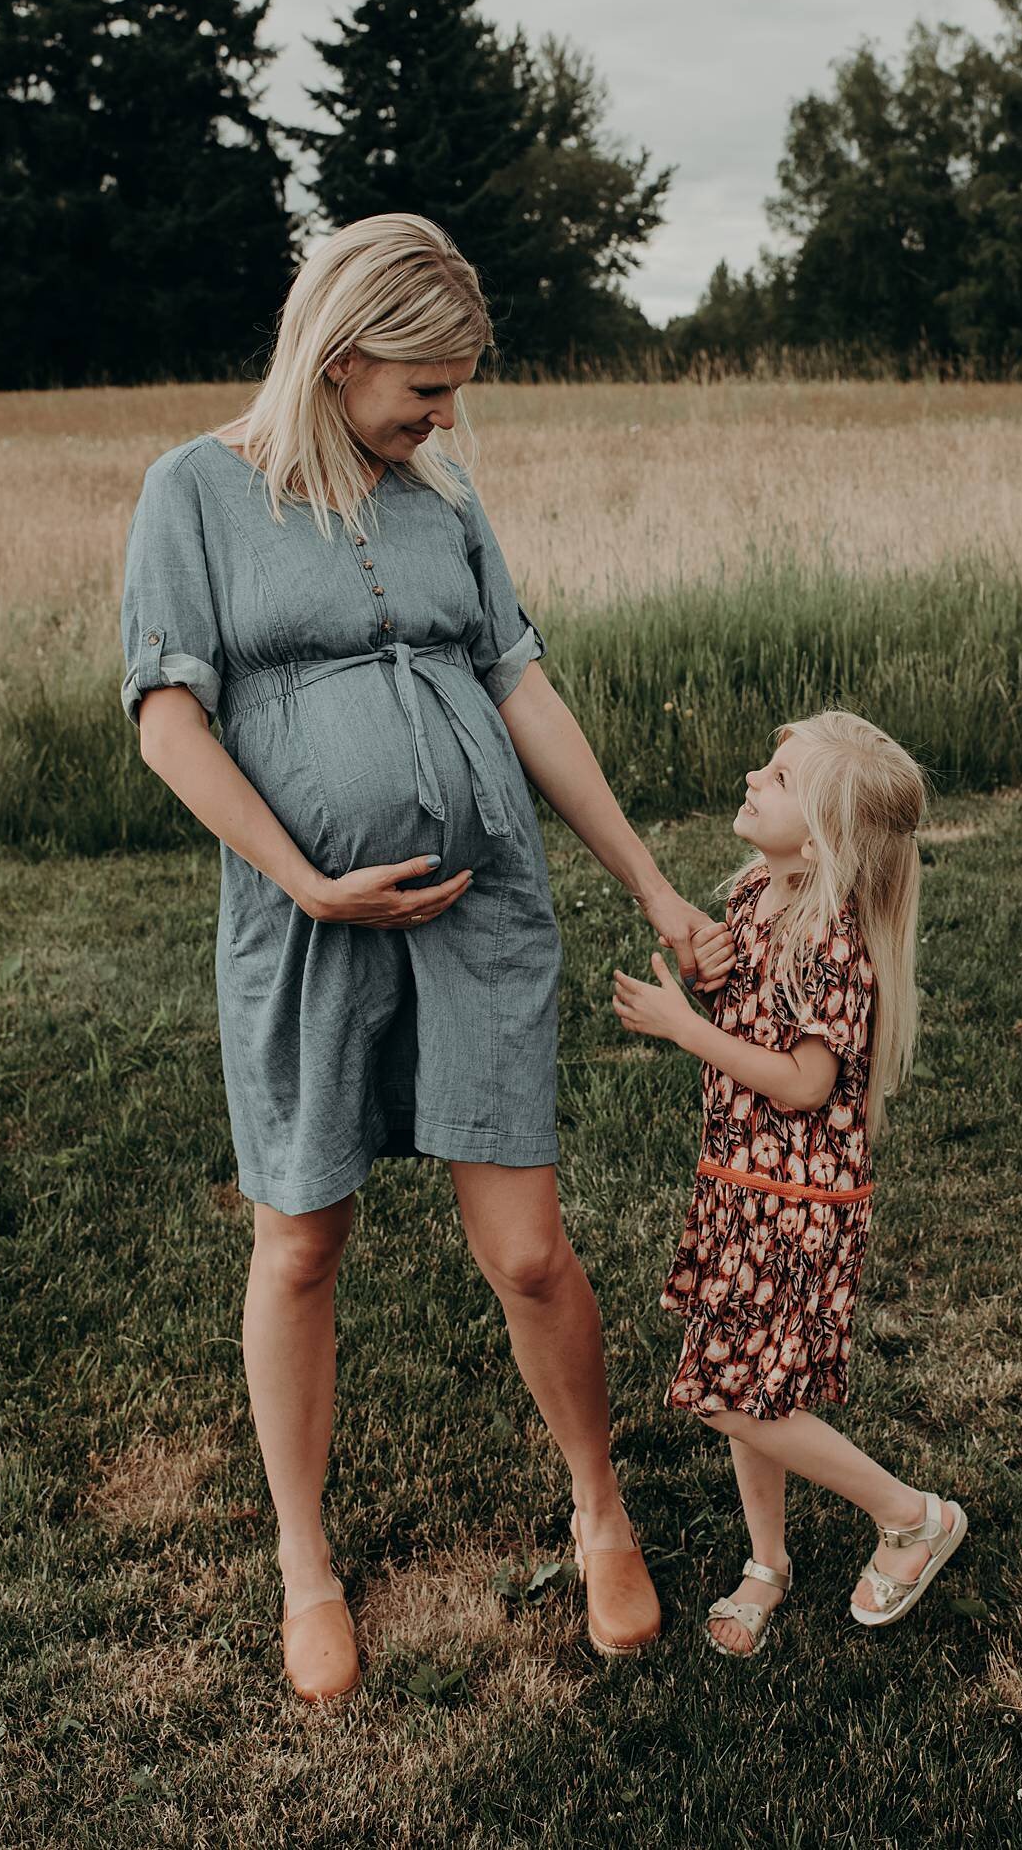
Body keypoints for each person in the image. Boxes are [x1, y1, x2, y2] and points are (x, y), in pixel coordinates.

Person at [120, 213, 733, 1698]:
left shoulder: (441, 492)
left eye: (455, 388)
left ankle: (602, 1509)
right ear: (337, 360)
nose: (446, 415)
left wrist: (649, 881)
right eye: (426, 386)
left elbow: (516, 680)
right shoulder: (195, 491)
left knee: (527, 1245)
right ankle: (305, 1565)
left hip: (481, 905)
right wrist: (306, 879)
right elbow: (167, 713)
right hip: (302, 925)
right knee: (302, 1236)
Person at [611, 709, 967, 1658]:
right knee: (743, 1375)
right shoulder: (759, 890)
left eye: (777, 775)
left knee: (732, 1392)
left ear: (817, 837)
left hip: (796, 1203)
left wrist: (686, 1026)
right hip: (741, 1181)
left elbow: (807, 1083)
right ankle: (766, 1561)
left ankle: (910, 1515)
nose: (753, 778)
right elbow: (759, 1020)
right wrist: (711, 967)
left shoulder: (831, 939)